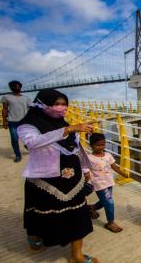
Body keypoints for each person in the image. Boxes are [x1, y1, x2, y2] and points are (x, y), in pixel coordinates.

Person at [17, 89, 99, 263]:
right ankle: (35, 239)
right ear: (42, 103)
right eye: (56, 104)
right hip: (45, 178)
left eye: (63, 104)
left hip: (73, 178)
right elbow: (32, 142)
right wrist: (69, 129)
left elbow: (75, 149)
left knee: (78, 215)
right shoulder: (28, 125)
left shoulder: (64, 123)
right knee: (41, 213)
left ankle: (77, 256)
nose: (60, 108)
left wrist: (85, 169)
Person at [84, 133, 128, 233]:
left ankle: (91, 208)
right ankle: (110, 222)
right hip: (99, 184)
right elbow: (84, 167)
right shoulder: (89, 158)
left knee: (105, 201)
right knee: (109, 202)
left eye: (103, 144)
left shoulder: (108, 155)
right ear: (91, 145)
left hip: (109, 182)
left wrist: (123, 173)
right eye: (98, 145)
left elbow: (114, 166)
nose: (101, 147)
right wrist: (86, 176)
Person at [0, 80, 31, 162]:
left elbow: (31, 110)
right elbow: (4, 110)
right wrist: (4, 121)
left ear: (21, 87)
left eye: (18, 86)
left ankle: (27, 146)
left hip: (24, 122)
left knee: (28, 137)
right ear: (11, 88)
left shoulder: (27, 98)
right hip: (12, 121)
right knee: (14, 139)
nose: (17, 87)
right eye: (14, 86)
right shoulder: (6, 97)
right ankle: (18, 155)